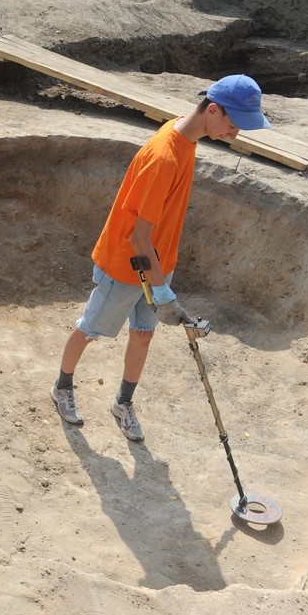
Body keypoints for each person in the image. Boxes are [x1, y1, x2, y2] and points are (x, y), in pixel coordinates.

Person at [50, 74, 271, 441]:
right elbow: (137, 237)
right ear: (212, 110)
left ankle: (123, 403)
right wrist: (163, 294)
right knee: (90, 329)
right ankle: (62, 387)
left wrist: (162, 282)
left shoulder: (187, 138)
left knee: (143, 336)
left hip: (157, 265)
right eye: (233, 126)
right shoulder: (163, 157)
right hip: (126, 264)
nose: (236, 134)